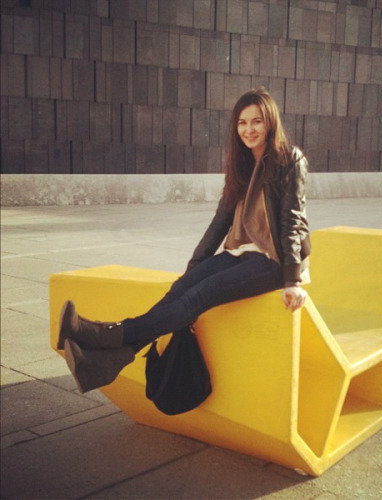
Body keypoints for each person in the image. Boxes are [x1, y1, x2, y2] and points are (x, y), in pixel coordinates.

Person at [59, 88, 311, 393]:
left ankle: (104, 334)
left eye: (256, 121)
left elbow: (292, 221)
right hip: (244, 255)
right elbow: (220, 221)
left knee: (198, 297)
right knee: (181, 288)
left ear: (270, 122)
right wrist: (195, 265)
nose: (249, 129)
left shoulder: (290, 159)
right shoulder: (241, 165)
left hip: (277, 262)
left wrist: (292, 279)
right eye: (242, 123)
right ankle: (105, 364)